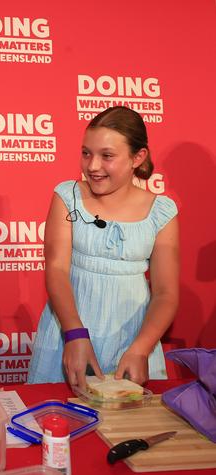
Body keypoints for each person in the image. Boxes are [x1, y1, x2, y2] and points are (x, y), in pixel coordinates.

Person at [27, 106, 179, 389]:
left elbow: (166, 293)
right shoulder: (67, 196)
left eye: (106, 156)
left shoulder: (162, 211)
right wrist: (74, 335)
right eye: (86, 153)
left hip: (133, 343)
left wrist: (140, 349)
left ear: (138, 157)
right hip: (68, 336)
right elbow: (57, 269)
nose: (93, 166)